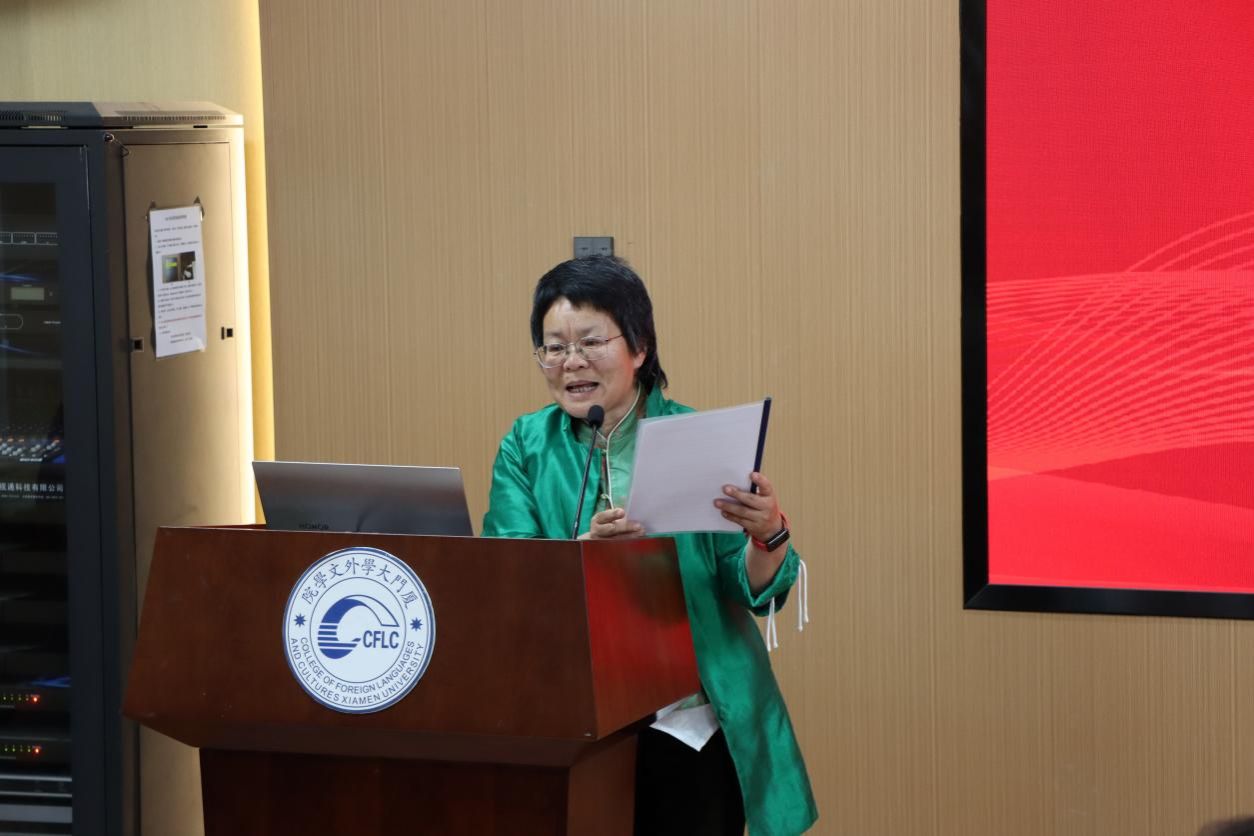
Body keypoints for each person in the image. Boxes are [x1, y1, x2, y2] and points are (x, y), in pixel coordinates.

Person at [482, 255, 817, 835]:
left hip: (688, 724)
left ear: (639, 346)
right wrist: (585, 551)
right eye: (554, 348)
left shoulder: (700, 438)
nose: (571, 362)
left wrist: (769, 535)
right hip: (570, 724)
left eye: (590, 342)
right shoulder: (526, 444)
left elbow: (749, 588)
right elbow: (507, 574)